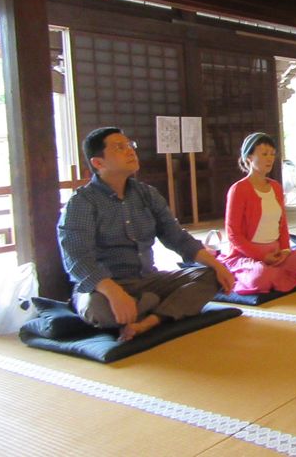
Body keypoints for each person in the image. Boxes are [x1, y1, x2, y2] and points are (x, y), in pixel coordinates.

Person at [58, 127, 234, 341]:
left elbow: (177, 237)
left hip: (148, 279)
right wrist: (114, 292)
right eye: (119, 147)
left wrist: (217, 265)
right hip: (106, 286)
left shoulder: (147, 194)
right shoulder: (82, 203)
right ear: (98, 163)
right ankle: (156, 306)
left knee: (209, 276)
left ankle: (149, 320)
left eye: (130, 145)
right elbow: (77, 257)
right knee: (100, 310)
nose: (130, 151)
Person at [221, 133, 296, 294]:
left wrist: (285, 250)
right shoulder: (238, 189)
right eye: (264, 154)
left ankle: (278, 275)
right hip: (247, 256)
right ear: (249, 157)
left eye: (272, 154)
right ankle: (257, 274)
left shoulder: (276, 187)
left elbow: (282, 224)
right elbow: (233, 235)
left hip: (277, 254)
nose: (270, 158)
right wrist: (262, 256)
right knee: (262, 277)